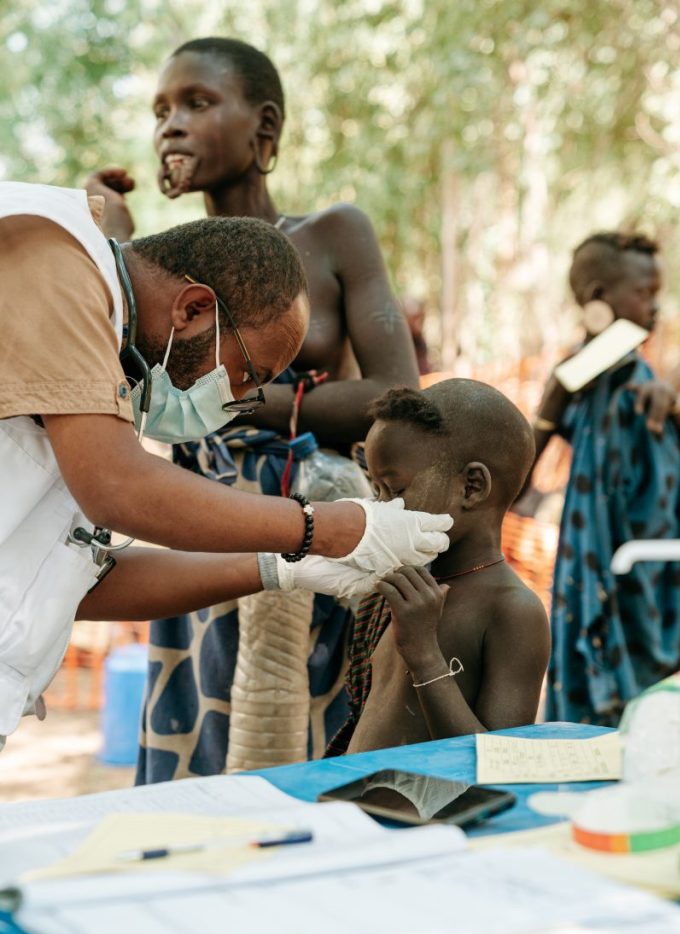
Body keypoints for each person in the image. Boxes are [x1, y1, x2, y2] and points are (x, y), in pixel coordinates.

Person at [0, 180, 453, 754]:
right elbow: (117, 488)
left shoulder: (91, 371)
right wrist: (328, 527)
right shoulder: (54, 257)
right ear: (193, 308)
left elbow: (80, 581)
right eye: (245, 376)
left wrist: (278, 568)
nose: (234, 403)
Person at [87, 37, 420, 780]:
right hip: (194, 521)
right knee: (202, 731)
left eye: (197, 102)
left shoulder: (333, 236)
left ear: (264, 126)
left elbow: (395, 396)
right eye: (161, 111)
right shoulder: (157, 265)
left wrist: (241, 402)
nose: (171, 124)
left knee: (307, 733)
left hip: (316, 523)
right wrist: (106, 229)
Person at [326, 380, 550, 755]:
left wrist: (425, 656)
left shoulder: (513, 611)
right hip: (361, 793)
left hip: (430, 799)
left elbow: (500, 765)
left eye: (395, 490)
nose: (380, 508)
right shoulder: (404, 582)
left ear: (472, 487)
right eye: (375, 490)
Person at [521, 232, 680, 725]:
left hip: (650, 582)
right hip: (594, 576)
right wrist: (551, 404)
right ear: (597, 297)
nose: (655, 307)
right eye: (644, 293)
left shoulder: (646, 385)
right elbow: (514, 486)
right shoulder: (581, 381)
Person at [402, 296, 431, 375]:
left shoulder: (420, 341)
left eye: (422, 318)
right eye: (416, 318)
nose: (420, 322)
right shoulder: (401, 343)